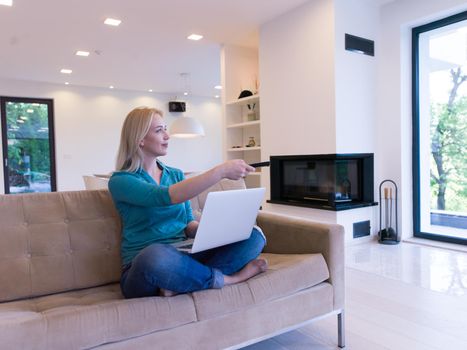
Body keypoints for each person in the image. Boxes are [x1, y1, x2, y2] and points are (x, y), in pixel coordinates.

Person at [108, 106, 268, 298]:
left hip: (184, 255)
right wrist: (221, 171)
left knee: (253, 235)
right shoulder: (121, 181)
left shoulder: (175, 174)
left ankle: (181, 283)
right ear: (139, 139)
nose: (167, 136)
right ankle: (229, 279)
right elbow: (165, 197)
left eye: (166, 129)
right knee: (155, 255)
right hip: (144, 266)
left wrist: (211, 230)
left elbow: (187, 223)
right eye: (159, 131)